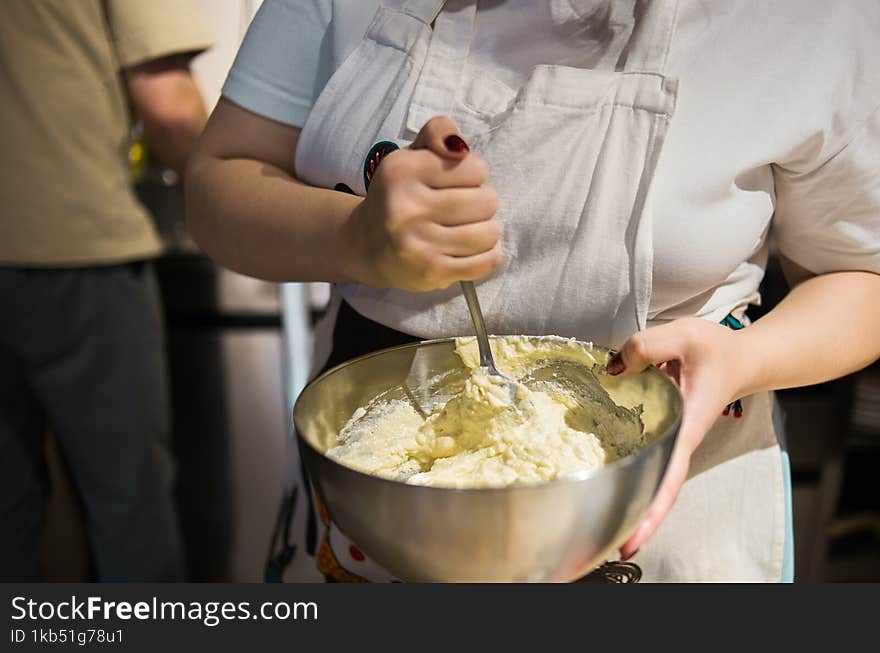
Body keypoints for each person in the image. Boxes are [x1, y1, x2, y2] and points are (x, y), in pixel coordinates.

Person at [186, 0, 880, 582]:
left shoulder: (816, 16)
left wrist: (744, 358)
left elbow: (865, 276)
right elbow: (221, 177)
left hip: (676, 493)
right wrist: (355, 238)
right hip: (375, 503)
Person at [0, 0, 212, 581]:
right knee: (129, 503)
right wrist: (249, 194)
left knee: (7, 514)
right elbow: (170, 110)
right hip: (74, 243)